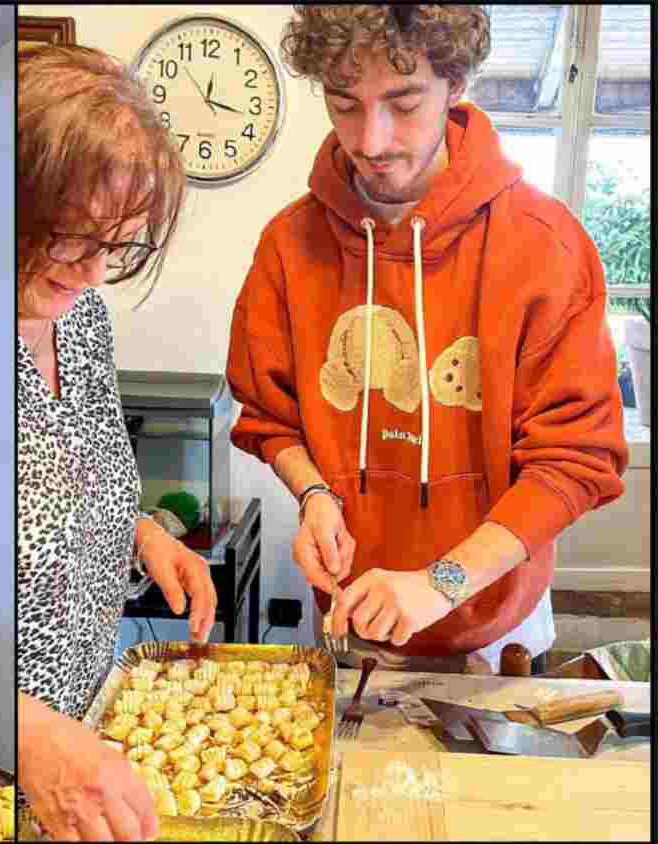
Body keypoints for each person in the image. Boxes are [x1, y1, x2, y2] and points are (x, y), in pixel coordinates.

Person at [226, 5, 628, 674]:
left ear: (457, 83)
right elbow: (271, 417)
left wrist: (441, 582)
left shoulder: (544, 244)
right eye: (344, 104)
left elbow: (574, 460)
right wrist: (314, 494)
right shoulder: (289, 246)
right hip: (347, 617)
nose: (372, 140)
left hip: (500, 626)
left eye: (404, 102)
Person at [15, 45, 218, 842]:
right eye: (70, 236)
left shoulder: (83, 318)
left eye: (121, 245)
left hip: (83, 754)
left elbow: (77, 473)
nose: (97, 272)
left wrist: (140, 536)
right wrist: (29, 736)